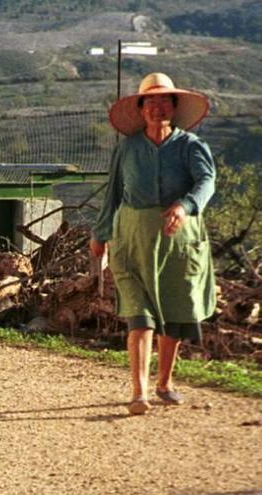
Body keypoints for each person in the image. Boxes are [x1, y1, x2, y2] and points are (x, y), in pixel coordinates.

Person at [91, 72, 217, 415]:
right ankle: (139, 392)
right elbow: (113, 193)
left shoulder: (191, 146)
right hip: (132, 239)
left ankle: (164, 381)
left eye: (165, 101)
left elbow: (207, 182)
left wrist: (184, 205)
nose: (158, 107)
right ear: (141, 107)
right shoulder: (128, 148)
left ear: (174, 108)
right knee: (140, 317)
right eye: (151, 101)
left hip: (178, 240)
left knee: (173, 314)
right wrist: (100, 234)